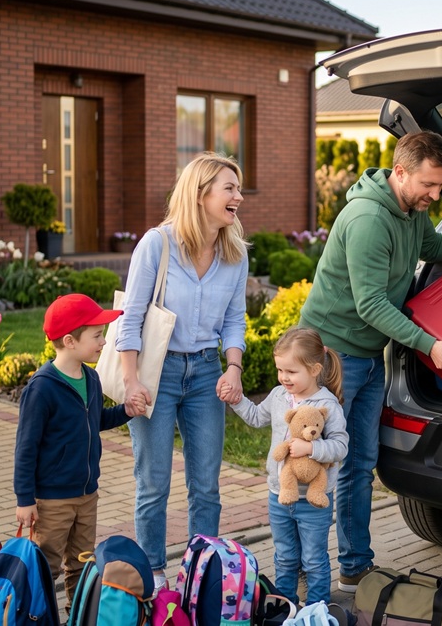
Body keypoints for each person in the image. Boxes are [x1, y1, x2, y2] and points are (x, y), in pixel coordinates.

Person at [297, 130, 442, 592]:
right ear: (400, 172)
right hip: (331, 358)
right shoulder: (368, 219)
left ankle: (354, 566)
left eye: (441, 186)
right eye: (429, 185)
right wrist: (428, 344)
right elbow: (371, 303)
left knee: (359, 463)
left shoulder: (411, 209)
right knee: (314, 463)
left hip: (369, 355)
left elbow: (432, 248)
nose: (436, 195)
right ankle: (300, 565)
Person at [117, 151, 249, 590]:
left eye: (238, 188)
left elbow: (234, 318)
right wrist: (132, 380)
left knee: (206, 486)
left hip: (207, 373)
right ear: (201, 193)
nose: (239, 197)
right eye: (230, 188)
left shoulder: (234, 252)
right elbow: (131, 318)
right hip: (158, 372)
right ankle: (150, 574)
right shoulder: (158, 244)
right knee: (153, 483)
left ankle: (201, 572)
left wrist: (233, 368)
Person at [14, 293, 147, 613]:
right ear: (71, 341)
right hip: (52, 499)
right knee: (47, 566)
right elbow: (26, 447)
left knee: (82, 564)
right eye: (97, 335)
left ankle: (77, 615)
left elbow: (96, 420)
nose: (104, 342)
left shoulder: (90, 377)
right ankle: (37, 617)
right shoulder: (42, 388)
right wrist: (24, 499)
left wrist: (127, 411)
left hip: (87, 493)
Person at [221, 327, 348, 605]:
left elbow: (340, 446)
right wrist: (237, 400)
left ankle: (317, 610)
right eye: (280, 370)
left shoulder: (327, 405)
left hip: (313, 501)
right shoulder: (279, 396)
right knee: (285, 557)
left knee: (313, 559)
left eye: (291, 372)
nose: (283, 377)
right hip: (279, 495)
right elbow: (256, 417)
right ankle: (285, 608)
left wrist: (312, 448)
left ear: (315, 369)